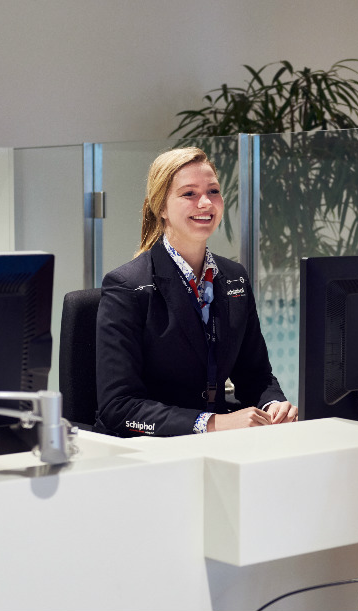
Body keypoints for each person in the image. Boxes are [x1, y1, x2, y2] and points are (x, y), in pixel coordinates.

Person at [95, 147, 297, 437]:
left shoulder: (234, 277)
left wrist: (274, 404)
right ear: (160, 207)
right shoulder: (126, 286)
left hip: (216, 444)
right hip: (147, 450)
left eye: (213, 191)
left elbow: (256, 375)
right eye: (189, 194)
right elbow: (118, 409)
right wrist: (211, 423)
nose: (205, 203)